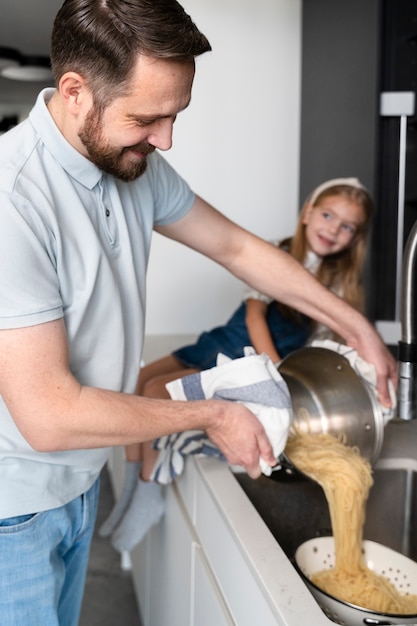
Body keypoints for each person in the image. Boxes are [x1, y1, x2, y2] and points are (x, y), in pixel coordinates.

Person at [0, 1, 396, 624]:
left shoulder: (134, 167)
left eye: (176, 115)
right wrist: (213, 413)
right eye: (148, 118)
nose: (166, 140)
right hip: (13, 507)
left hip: (75, 488)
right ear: (75, 92)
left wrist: (356, 328)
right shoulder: (14, 202)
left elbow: (238, 247)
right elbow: (48, 415)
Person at [99, 177, 375, 551]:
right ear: (308, 212)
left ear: (355, 239)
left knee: (154, 393)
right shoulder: (279, 255)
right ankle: (134, 485)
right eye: (328, 215)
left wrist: (273, 372)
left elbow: (323, 343)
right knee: (137, 382)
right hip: (222, 341)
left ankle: (148, 488)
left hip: (241, 362)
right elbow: (254, 316)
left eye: (347, 227)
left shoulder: (337, 286)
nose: (333, 229)